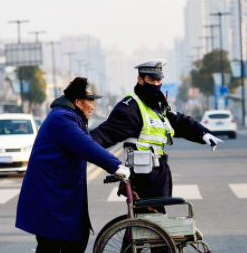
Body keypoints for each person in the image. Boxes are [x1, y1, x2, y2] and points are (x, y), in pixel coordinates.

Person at [16, 77, 130, 253]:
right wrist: (115, 165)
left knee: (78, 234)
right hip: (49, 192)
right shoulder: (62, 119)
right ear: (78, 101)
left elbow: (90, 142)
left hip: (61, 191)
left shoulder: (70, 117)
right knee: (50, 241)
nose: (93, 106)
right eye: (90, 101)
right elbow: (85, 145)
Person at [89, 59, 223, 205]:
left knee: (155, 223)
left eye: (159, 81)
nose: (156, 84)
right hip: (141, 179)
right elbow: (105, 134)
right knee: (148, 224)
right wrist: (79, 147)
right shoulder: (130, 108)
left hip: (157, 176)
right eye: (151, 80)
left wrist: (203, 134)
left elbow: (179, 121)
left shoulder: (158, 106)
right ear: (140, 79)